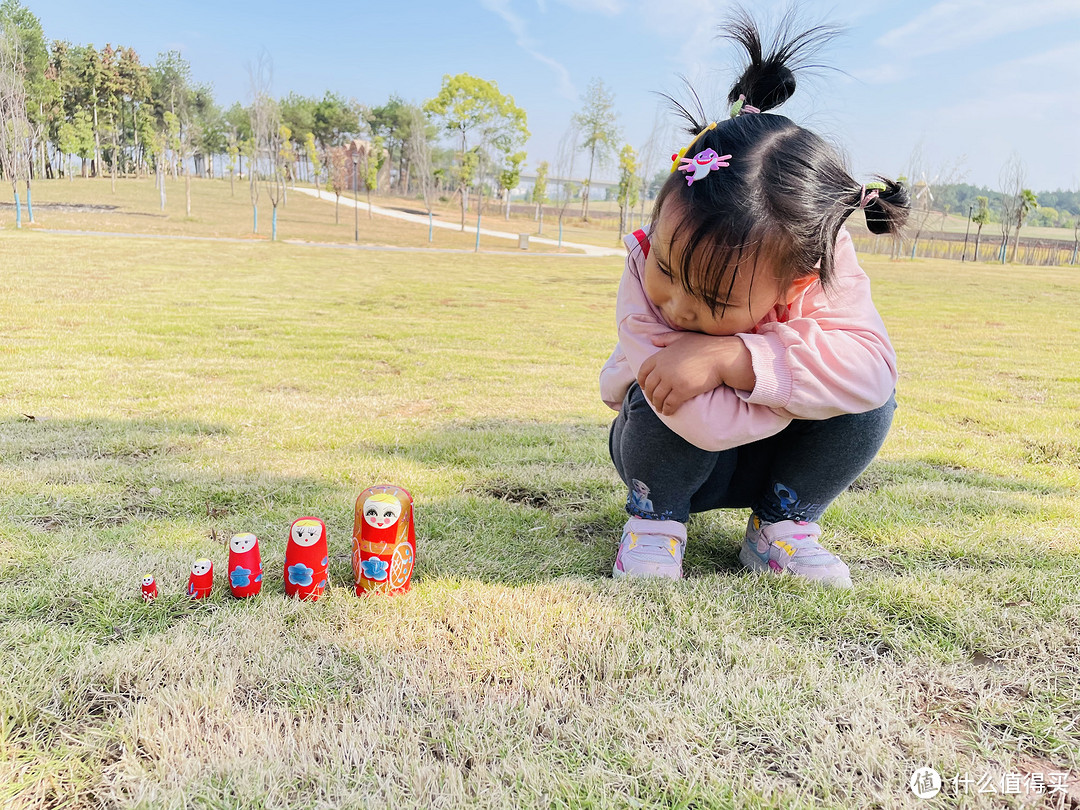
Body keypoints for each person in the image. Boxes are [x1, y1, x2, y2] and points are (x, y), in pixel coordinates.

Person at [600, 11, 909, 587]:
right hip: (674, 452)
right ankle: (654, 523)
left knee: (871, 405)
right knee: (663, 386)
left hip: (775, 461)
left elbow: (873, 373)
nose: (677, 306)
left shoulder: (821, 268)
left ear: (796, 281)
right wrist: (800, 384)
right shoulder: (642, 268)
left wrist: (733, 359)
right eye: (669, 268)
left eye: (712, 297)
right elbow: (705, 426)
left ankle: (781, 527)